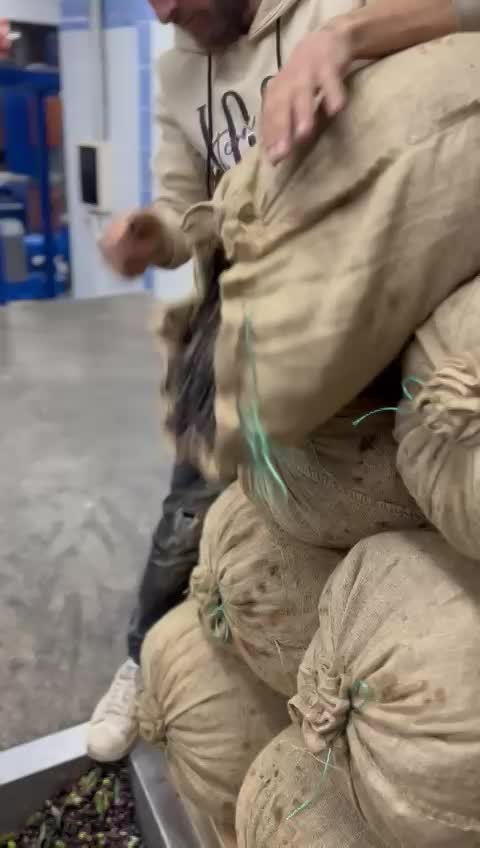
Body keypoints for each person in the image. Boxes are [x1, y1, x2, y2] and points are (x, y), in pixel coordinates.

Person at [88, 0, 480, 762]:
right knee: (192, 509)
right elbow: (181, 212)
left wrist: (345, 38)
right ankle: (141, 659)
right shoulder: (177, 72)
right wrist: (151, 236)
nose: (166, 12)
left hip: (364, 298)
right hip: (250, 323)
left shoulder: (331, 6)